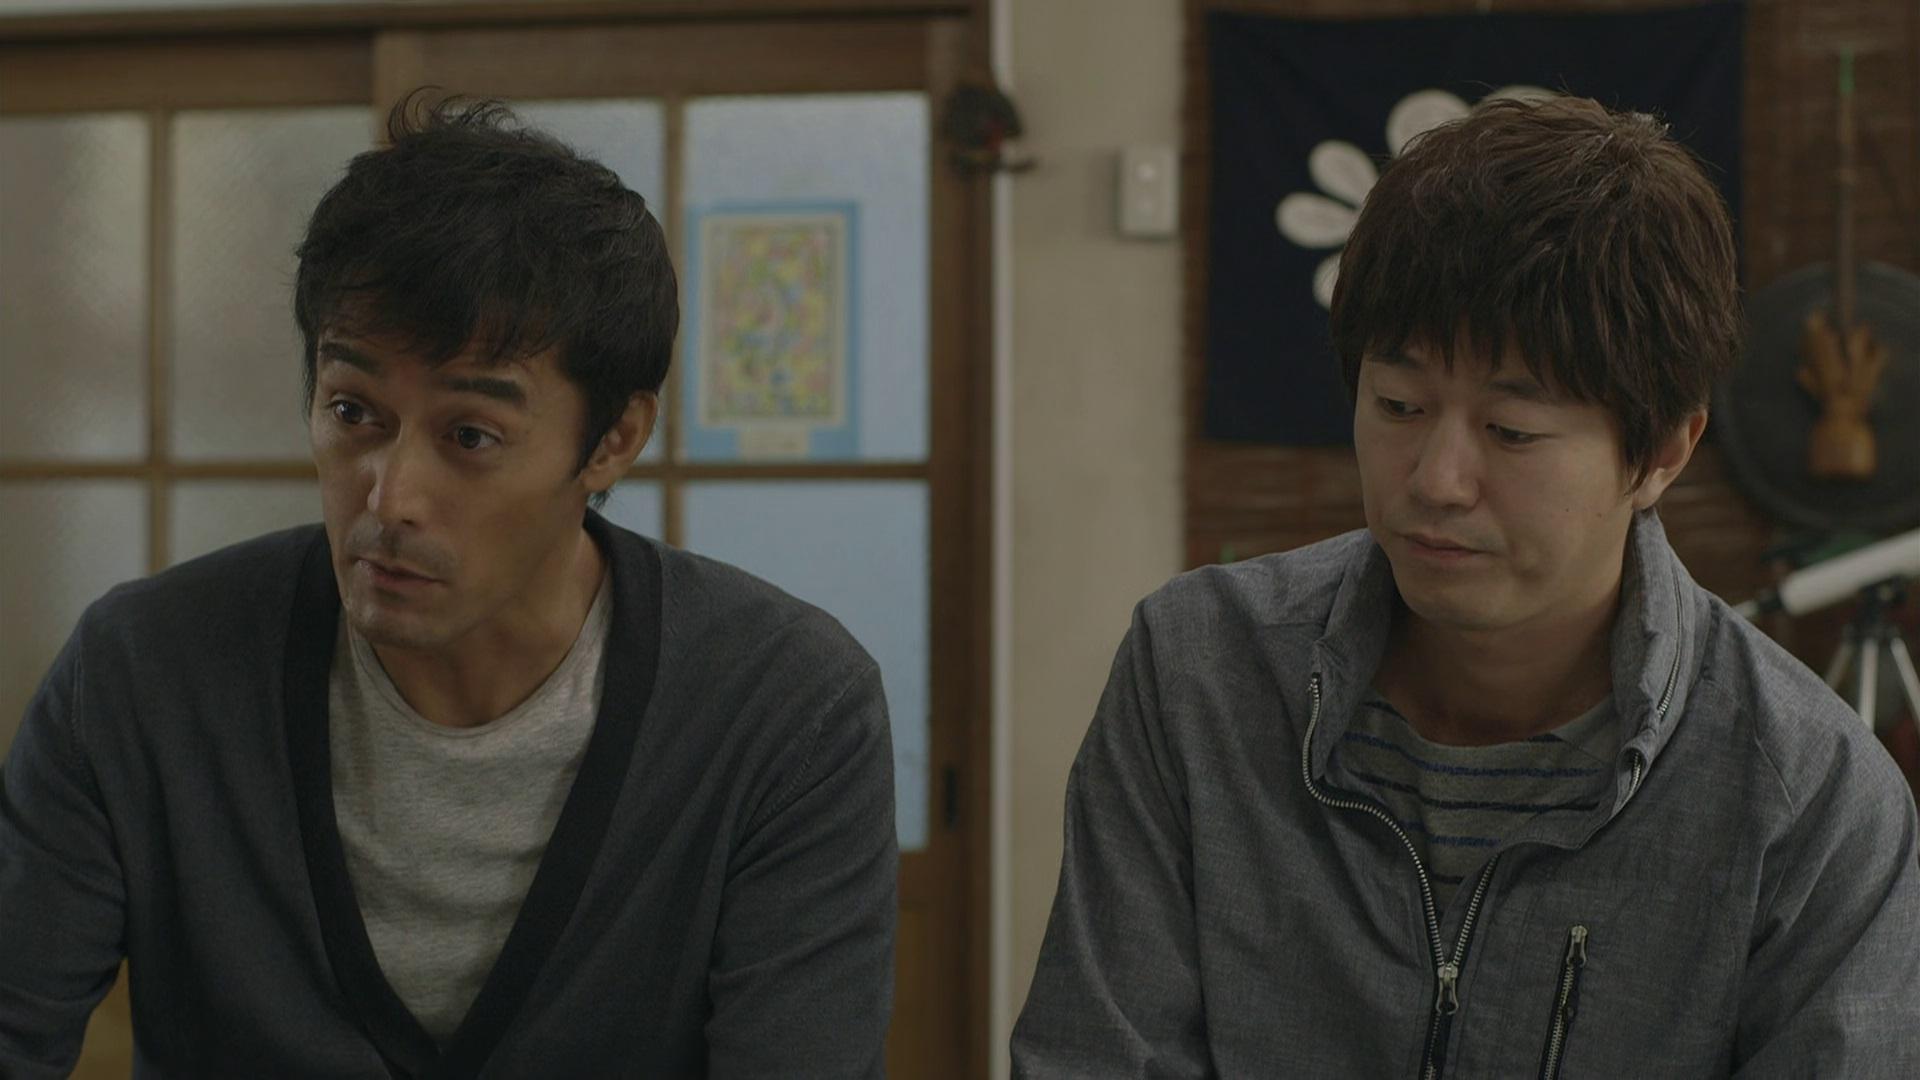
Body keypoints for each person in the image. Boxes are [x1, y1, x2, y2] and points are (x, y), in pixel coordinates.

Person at [1013, 96, 1919, 1077]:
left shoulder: (1806, 796)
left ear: (1663, 450)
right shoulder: (1199, 675)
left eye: (1511, 431)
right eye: (1398, 405)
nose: (1436, 480)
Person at [0, 95, 896, 1078]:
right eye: (354, 412)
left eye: (470, 435)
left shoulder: (782, 708)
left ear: (613, 440)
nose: (390, 497)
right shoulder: (144, 672)